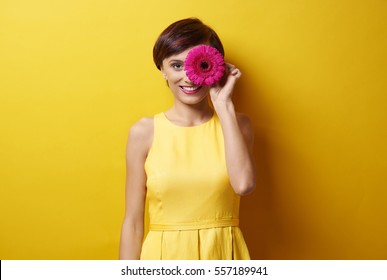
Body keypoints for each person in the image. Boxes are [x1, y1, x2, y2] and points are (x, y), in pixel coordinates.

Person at [119, 18, 256, 260]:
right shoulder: (143, 132)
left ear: (216, 66)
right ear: (162, 69)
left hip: (221, 255)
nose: (189, 77)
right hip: (163, 258)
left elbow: (243, 185)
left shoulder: (238, 124)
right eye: (177, 65)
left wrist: (223, 104)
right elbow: (132, 222)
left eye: (200, 65)